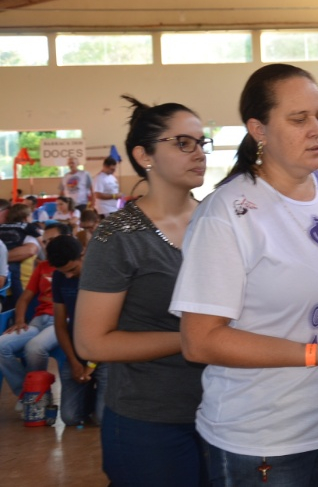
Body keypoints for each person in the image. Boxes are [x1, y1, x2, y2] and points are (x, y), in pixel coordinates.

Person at [170, 63, 318, 487]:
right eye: (299, 119)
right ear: (258, 130)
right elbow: (200, 339)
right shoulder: (227, 213)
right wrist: (316, 355)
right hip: (264, 439)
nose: (317, 129)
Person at [75, 95, 209, 487]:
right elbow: (92, 344)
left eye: (202, 143)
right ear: (144, 155)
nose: (198, 152)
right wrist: (194, 339)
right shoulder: (118, 235)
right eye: (183, 143)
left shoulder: (217, 221)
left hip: (223, 409)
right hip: (149, 420)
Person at [0, 222, 69, 405]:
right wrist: (20, 320)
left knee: (34, 347)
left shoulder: (75, 265)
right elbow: (24, 298)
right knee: (1, 345)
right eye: (45, 242)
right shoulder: (42, 267)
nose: (48, 246)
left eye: (53, 240)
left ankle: (36, 395)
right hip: (37, 321)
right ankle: (27, 393)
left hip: (60, 322)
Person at [50, 234, 108, 426]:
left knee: (102, 419)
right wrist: (75, 362)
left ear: (83, 255)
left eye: (72, 269)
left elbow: (109, 325)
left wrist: (90, 366)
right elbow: (60, 324)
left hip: (106, 353)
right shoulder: (59, 277)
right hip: (77, 350)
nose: (68, 275)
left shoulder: (103, 273)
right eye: (62, 272)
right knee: (70, 417)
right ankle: (90, 394)